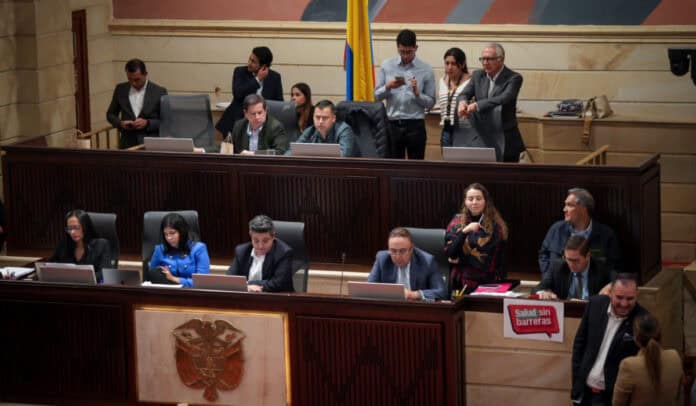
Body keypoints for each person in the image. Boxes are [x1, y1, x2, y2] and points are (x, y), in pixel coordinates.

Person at [572, 273, 648, 406]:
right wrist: (576, 381)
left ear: (637, 295)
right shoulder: (595, 304)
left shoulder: (643, 319)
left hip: (612, 398)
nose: (624, 304)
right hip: (584, 393)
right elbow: (579, 344)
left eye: (630, 298)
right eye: (619, 297)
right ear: (611, 293)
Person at [456, 43, 525, 162]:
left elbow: (504, 98)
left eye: (489, 59)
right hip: (482, 137)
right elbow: (464, 93)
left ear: (501, 60)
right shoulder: (478, 75)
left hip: (505, 138)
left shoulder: (514, 78)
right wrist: (462, 103)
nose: (485, 63)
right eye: (482, 59)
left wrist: (477, 105)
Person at [374, 29, 436, 160]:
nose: (406, 55)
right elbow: (376, 95)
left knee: (416, 168)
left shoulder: (426, 69)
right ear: (397, 48)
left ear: (416, 48)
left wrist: (418, 94)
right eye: (402, 52)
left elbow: (431, 103)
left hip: (415, 124)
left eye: (409, 52)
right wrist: (388, 87)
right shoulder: (387, 65)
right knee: (394, 166)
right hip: (393, 124)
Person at [539, 187, 623, 277]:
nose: (564, 209)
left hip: (592, 289)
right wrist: (548, 278)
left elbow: (614, 267)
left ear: (583, 208)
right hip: (558, 289)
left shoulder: (606, 235)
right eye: (565, 205)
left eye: (569, 205)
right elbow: (543, 255)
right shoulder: (556, 229)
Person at [445, 183, 508, 292]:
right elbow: (451, 252)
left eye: (478, 199)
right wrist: (465, 231)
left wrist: (459, 259)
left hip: (486, 280)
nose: (474, 202)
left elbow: (484, 259)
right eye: (470, 199)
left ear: (485, 201)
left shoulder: (495, 226)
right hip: (459, 280)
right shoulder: (456, 221)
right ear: (465, 201)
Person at [613, 314, 683, 406]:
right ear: (660, 334)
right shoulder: (675, 356)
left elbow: (618, 403)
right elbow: (678, 395)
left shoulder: (628, 365)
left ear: (636, 338)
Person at [216, 46, 284, 137]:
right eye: (250, 59)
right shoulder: (240, 72)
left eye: (253, 62)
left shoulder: (274, 77)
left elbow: (278, 103)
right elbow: (238, 93)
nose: (249, 63)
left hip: (262, 124)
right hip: (238, 121)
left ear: (263, 66)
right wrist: (257, 79)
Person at [368, 227, 446, 301]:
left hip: (416, 309)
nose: (398, 256)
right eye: (393, 251)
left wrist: (413, 294)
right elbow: (369, 288)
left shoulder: (427, 261)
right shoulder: (382, 259)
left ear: (411, 249)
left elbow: (441, 292)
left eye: (402, 251)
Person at [106, 58, 168, 149]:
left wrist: (147, 123)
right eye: (129, 79)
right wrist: (120, 123)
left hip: (150, 145)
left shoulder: (159, 92)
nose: (133, 83)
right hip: (127, 144)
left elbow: (166, 121)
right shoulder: (120, 89)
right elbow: (110, 114)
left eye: (137, 79)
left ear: (145, 75)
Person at [533, 235, 614, 300]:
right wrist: (543, 292)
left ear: (588, 256)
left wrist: (611, 286)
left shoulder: (601, 267)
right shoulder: (557, 267)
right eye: (568, 259)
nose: (571, 264)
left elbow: (621, 279)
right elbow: (538, 288)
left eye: (575, 260)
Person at [227, 215, 294, 292]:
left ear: (273, 237)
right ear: (250, 236)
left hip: (277, 299)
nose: (260, 246)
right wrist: (248, 287)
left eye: (265, 241)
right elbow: (230, 279)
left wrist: (247, 284)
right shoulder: (241, 251)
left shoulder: (284, 253)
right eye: (256, 240)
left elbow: (277, 283)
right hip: (247, 300)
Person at [148, 213, 210, 287]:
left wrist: (174, 279)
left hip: (192, 294)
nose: (169, 238)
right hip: (166, 293)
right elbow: (151, 277)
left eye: (172, 233)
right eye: (166, 234)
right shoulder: (159, 250)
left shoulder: (199, 249)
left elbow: (202, 282)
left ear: (182, 232)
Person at [50, 209, 112, 282]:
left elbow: (104, 274)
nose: (72, 232)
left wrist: (77, 278)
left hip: (91, 289)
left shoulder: (102, 245)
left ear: (86, 227)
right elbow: (51, 266)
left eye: (76, 227)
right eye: (69, 228)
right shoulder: (64, 245)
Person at [438, 47, 471, 148]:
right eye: (447, 63)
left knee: (463, 162)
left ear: (462, 64)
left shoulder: (471, 81)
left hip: (464, 129)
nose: (449, 67)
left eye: (453, 64)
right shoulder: (442, 81)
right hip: (446, 129)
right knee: (447, 161)